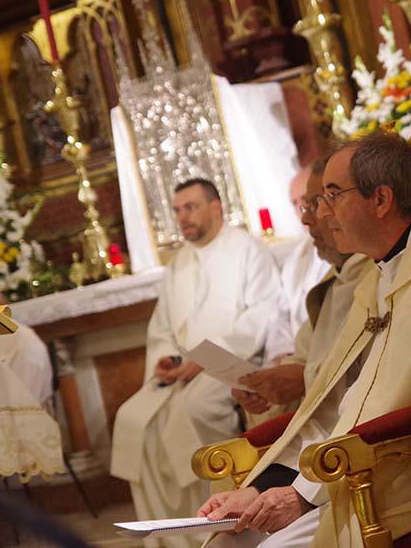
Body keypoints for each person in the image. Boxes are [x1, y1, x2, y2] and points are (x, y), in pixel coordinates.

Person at [200, 131, 411, 547]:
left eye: (332, 195)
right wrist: (262, 486)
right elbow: (342, 402)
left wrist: (301, 496)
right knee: (227, 540)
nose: (321, 214)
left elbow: (399, 404)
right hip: (364, 462)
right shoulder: (381, 276)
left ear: (380, 200)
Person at [110, 178, 281, 548]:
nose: (182, 217)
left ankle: (213, 525)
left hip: (231, 363)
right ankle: (168, 537)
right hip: (184, 371)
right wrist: (165, 360)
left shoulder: (247, 249)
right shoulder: (178, 264)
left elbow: (261, 314)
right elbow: (163, 326)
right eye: (177, 210)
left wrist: (205, 359)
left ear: (216, 207)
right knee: (132, 419)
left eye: (190, 207)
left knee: (194, 409)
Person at [234, 153, 373, 418]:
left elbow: (380, 370)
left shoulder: (381, 272)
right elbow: (302, 346)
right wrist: (269, 382)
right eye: (302, 206)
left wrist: (303, 379)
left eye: (318, 202)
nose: (307, 219)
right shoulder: (332, 277)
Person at [263, 169, 331, 366]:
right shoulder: (296, 256)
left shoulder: (351, 249)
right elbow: (281, 315)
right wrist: (281, 354)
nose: (302, 210)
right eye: (295, 203)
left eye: (306, 199)